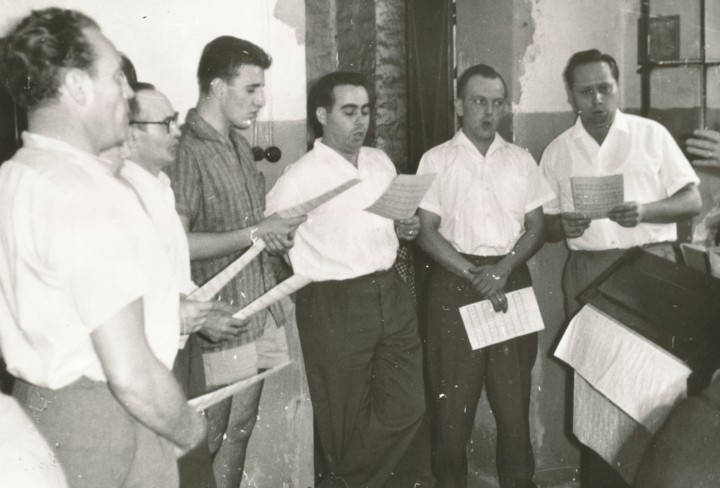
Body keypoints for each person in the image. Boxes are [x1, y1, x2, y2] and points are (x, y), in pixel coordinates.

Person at [0, 8, 206, 488]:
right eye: (116, 76)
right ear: (76, 86)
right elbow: (132, 374)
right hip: (111, 423)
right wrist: (190, 431)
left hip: (40, 412)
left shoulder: (15, 176)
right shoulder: (85, 195)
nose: (129, 92)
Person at [539, 49, 702, 487]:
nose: (597, 100)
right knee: (596, 390)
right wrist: (562, 223)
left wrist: (647, 210)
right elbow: (547, 226)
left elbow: (692, 200)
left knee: (653, 389)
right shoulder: (559, 151)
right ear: (571, 95)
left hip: (652, 272)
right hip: (589, 273)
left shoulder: (651, 135)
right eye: (586, 91)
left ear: (618, 88)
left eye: (605, 88)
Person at [266, 71, 433, 488]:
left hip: (390, 292)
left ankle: (345, 482)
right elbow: (270, 240)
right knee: (344, 418)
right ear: (322, 114)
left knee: (408, 404)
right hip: (334, 302)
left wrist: (405, 229)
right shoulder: (299, 177)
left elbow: (393, 225)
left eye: (365, 111)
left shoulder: (380, 162)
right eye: (349, 112)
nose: (361, 122)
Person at [165, 36, 306, 488]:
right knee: (207, 437)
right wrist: (252, 234)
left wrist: (273, 238)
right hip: (218, 324)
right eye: (251, 89)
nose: (261, 101)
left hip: (258, 314)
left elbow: (251, 232)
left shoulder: (239, 144)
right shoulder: (186, 150)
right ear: (216, 87)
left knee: (241, 429)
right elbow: (175, 244)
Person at [415, 64, 552, 488]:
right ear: (459, 105)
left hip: (510, 282)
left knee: (514, 409)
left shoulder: (521, 159)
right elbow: (424, 231)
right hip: (454, 284)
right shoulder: (436, 159)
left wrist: (503, 269)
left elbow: (537, 226)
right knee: (453, 411)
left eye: (497, 103)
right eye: (478, 101)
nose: (489, 112)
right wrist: (475, 273)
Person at [121, 85, 245, 488]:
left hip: (179, 347)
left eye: (176, 120)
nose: (177, 131)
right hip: (148, 354)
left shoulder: (160, 186)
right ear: (130, 131)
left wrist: (203, 307)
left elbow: (170, 273)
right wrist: (185, 313)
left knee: (190, 464)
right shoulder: (122, 195)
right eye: (166, 123)